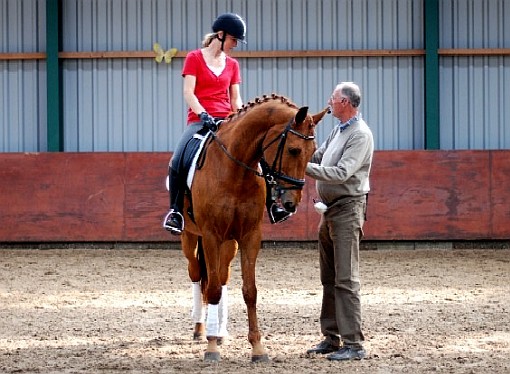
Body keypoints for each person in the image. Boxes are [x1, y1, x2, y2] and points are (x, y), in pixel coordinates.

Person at [163, 13, 290, 235]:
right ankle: (176, 212)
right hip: (200, 121)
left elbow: (235, 98)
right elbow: (188, 92)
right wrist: (203, 115)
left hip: (228, 120)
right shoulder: (194, 57)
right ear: (220, 35)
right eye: (233, 40)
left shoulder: (232, 64)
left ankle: (272, 204)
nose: (235, 45)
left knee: (259, 153)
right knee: (178, 159)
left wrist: (241, 118)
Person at [305, 82, 374, 361]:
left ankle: (354, 344)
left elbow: (341, 172)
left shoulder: (360, 135)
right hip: (330, 210)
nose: (329, 102)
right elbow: (317, 156)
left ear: (345, 102)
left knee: (346, 278)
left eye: (333, 98)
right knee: (329, 277)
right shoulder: (338, 130)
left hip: (348, 209)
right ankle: (332, 338)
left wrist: (301, 167)